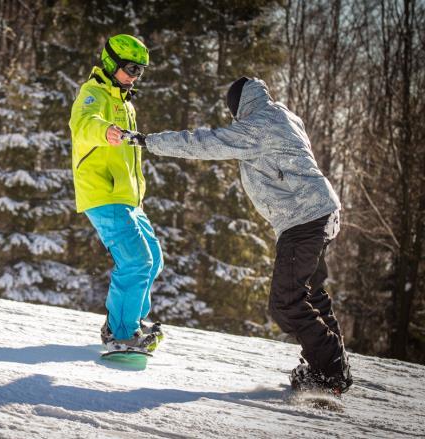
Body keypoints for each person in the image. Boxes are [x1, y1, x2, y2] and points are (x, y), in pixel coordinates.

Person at [132, 77, 352, 393]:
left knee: (286, 302)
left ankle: (329, 368)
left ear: (238, 106)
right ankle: (332, 368)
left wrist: (148, 141)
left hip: (304, 219)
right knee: (310, 293)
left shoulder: (257, 126)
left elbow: (203, 142)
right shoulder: (283, 116)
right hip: (322, 211)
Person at [68, 34, 164, 353]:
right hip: (103, 193)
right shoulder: (93, 92)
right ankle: (121, 334)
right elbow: (84, 123)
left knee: (153, 259)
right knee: (136, 260)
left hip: (128, 198)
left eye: (140, 71)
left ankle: (125, 321)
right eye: (129, 68)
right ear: (111, 63)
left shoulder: (126, 102)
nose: (134, 76)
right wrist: (104, 131)